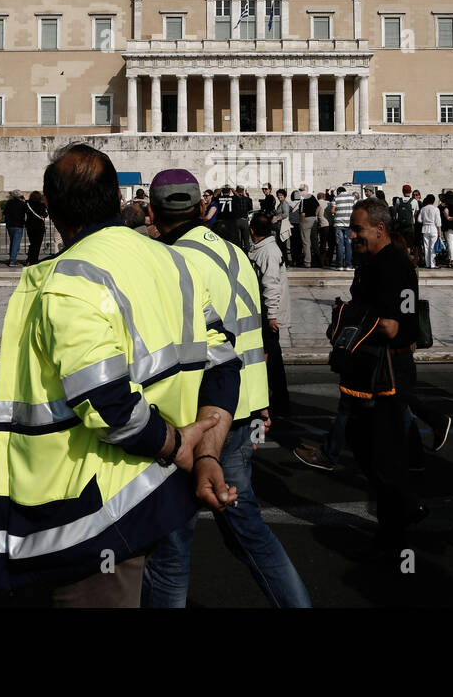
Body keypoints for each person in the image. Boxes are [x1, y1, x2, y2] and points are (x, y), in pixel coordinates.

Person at [0, 144, 227, 605]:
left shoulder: (69, 280)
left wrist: (180, 446)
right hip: (164, 495)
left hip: (94, 513)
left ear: (52, 209)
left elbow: (109, 404)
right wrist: (208, 454)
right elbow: (225, 362)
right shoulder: (177, 261)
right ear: (117, 198)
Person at [141, 174, 309, 608]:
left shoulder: (170, 261)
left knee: (169, 549)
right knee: (247, 528)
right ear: (202, 209)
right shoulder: (234, 252)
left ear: (153, 214)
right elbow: (255, 338)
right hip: (243, 409)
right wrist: (263, 402)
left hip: (197, 415)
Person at [341, 196, 427, 557]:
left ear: (379, 229)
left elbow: (398, 326)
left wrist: (353, 318)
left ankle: (397, 532)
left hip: (390, 369)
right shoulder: (371, 261)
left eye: (357, 229)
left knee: (386, 454)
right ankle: (399, 512)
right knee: (361, 440)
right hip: (371, 367)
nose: (351, 236)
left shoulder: (396, 267)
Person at [248, 212, 292, 418]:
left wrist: (272, 315)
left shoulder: (268, 252)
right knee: (272, 356)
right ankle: (276, 398)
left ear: (251, 231)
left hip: (267, 314)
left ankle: (276, 399)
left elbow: (271, 284)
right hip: (264, 312)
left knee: (271, 357)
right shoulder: (263, 249)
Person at [333, 185, 356, 271]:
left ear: (338, 192)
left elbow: (332, 210)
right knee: (348, 244)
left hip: (338, 224)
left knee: (339, 244)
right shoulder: (352, 197)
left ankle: (340, 265)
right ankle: (348, 265)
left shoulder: (336, 198)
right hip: (349, 224)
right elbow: (356, 209)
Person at [2, 189, 27, 265]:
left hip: (10, 225)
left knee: (12, 242)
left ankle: (12, 257)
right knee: (16, 243)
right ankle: (12, 260)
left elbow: (5, 213)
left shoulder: (9, 203)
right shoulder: (22, 204)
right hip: (18, 225)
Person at [417, 194, 442, 269]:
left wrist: (425, 221)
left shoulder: (423, 209)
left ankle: (427, 263)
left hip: (425, 229)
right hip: (433, 228)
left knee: (426, 247)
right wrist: (440, 233)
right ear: (434, 201)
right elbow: (438, 222)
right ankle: (432, 264)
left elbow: (419, 220)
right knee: (432, 247)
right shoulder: (436, 209)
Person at [24, 190, 47, 264]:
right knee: (37, 245)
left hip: (30, 226)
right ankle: (34, 260)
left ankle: (29, 259)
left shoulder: (27, 204)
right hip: (39, 226)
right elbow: (45, 214)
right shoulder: (41, 205)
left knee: (32, 243)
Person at [298, 184, 320, 267]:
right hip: (313, 220)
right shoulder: (312, 197)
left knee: (306, 242)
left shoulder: (303, 200)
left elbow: (302, 214)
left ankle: (307, 262)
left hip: (306, 220)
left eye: (301, 190)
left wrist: (300, 222)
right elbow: (318, 207)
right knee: (314, 241)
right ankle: (318, 261)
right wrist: (315, 216)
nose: (300, 192)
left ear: (306, 190)